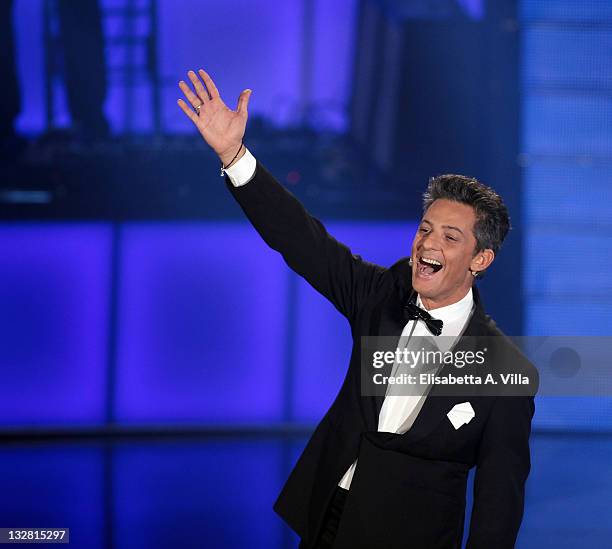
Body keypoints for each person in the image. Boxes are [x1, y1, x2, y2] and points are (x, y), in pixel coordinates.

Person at [177, 69, 538, 549]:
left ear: (481, 259)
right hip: (329, 522)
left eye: (451, 237)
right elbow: (303, 241)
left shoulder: (506, 372)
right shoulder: (382, 294)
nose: (428, 244)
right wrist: (234, 157)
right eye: (425, 229)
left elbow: (499, 505)